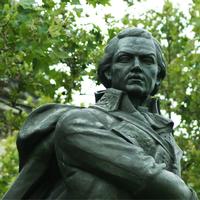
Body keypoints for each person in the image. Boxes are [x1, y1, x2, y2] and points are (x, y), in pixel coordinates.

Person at [3, 28, 198, 199]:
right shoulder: (79, 122)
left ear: (158, 77)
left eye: (147, 60)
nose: (137, 66)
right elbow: (152, 179)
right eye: (125, 58)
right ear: (109, 72)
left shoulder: (165, 135)